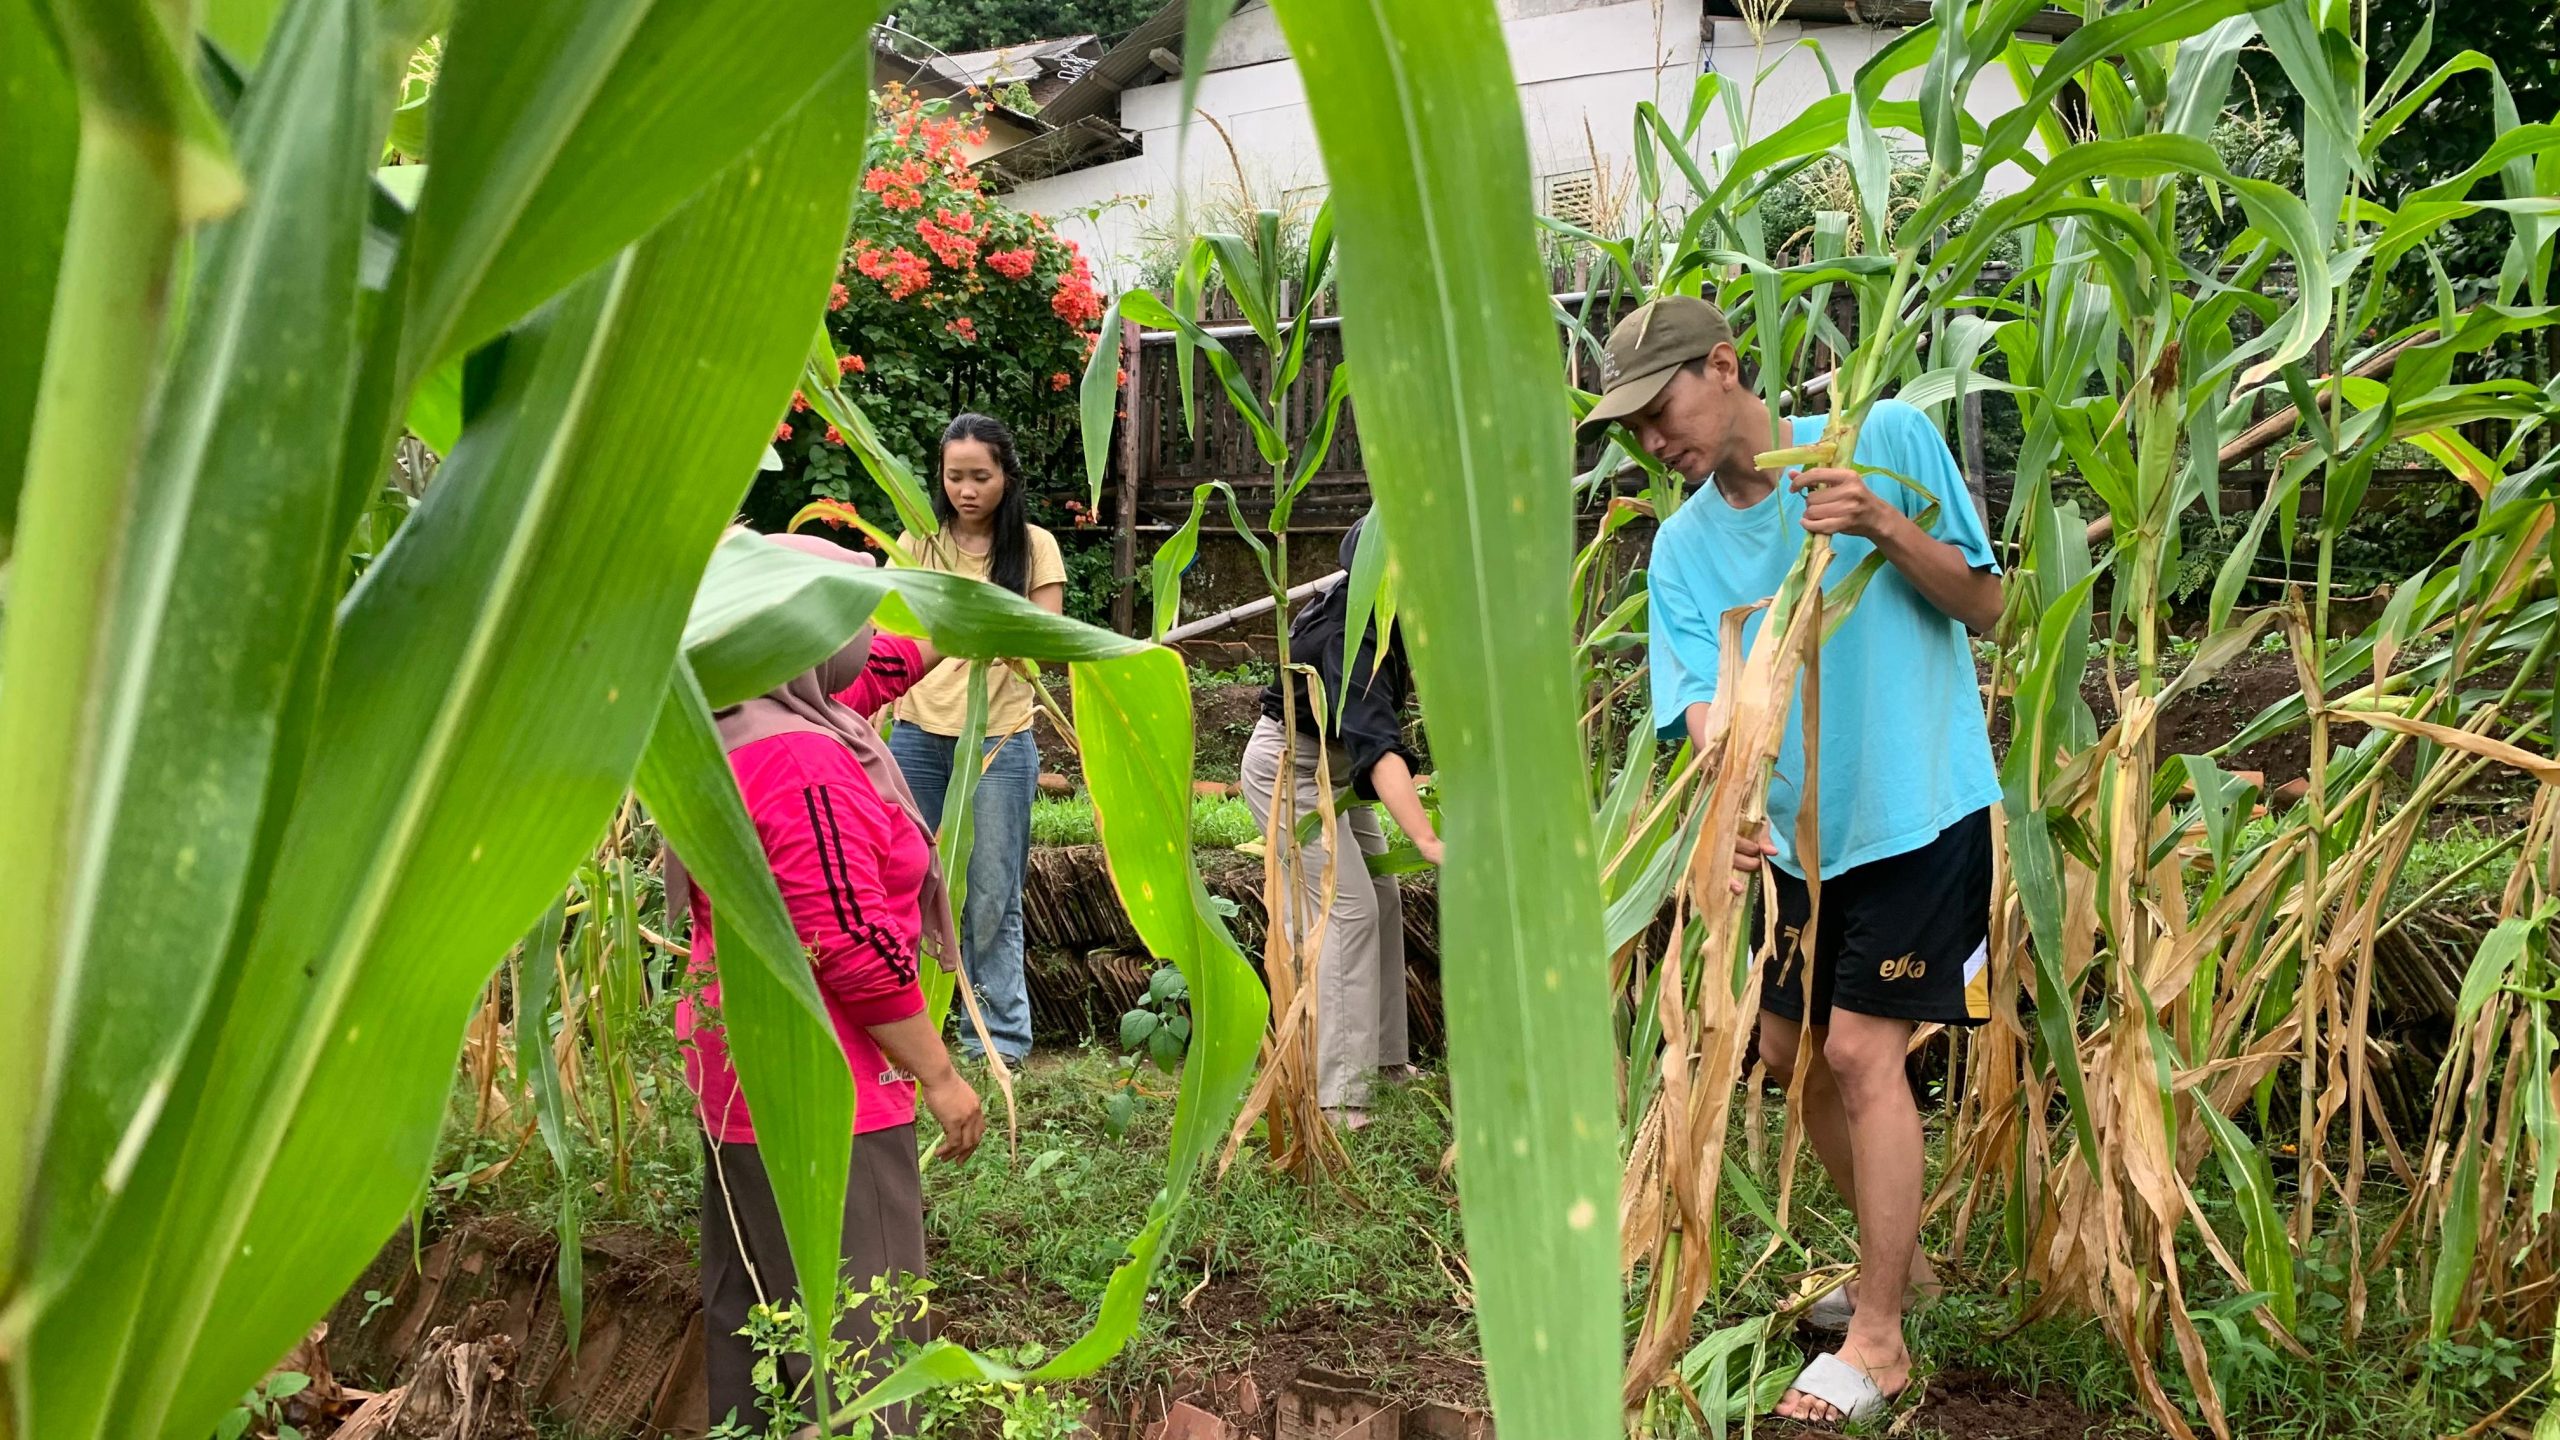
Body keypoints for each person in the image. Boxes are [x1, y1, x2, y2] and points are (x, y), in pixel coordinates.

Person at [1581, 296, 2002, 1425]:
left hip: (1918, 809)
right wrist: (1730, 797)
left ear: (1722, 367)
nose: (1649, 444)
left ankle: (1878, 1341)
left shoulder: (1884, 441)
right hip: (1799, 852)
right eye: (1627, 430)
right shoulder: (1678, 550)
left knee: (1864, 1053)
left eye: (1657, 411)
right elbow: (1702, 710)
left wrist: (1880, 526)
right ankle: (1896, 1265)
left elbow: (1986, 602)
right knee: (1792, 1055)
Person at [669, 532, 989, 1435]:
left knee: (759, 1311)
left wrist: (976, 611)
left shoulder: (729, 708)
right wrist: (940, 1073)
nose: (864, 646)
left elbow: (874, 667)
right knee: (862, 1332)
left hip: (739, 1068)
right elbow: (846, 942)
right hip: (825, 1084)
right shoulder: (802, 761)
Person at [1239, 514, 1445, 1131]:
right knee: (1346, 909)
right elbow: (1377, 745)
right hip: (1290, 769)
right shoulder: (1353, 635)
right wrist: (1430, 840)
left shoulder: (1387, 612)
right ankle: (1342, 1098)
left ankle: (1384, 1061)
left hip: (1332, 766)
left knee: (1381, 898)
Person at [887, 413, 1065, 1068]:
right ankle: (908, 1036)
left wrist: (985, 630)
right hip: (915, 736)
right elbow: (890, 635)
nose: (966, 490)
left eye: (980, 477)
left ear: (1007, 478)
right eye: (954, 476)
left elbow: (1041, 642)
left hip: (999, 741)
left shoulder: (1036, 548)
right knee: (904, 885)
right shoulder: (917, 544)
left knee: (991, 893)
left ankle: (998, 1043)